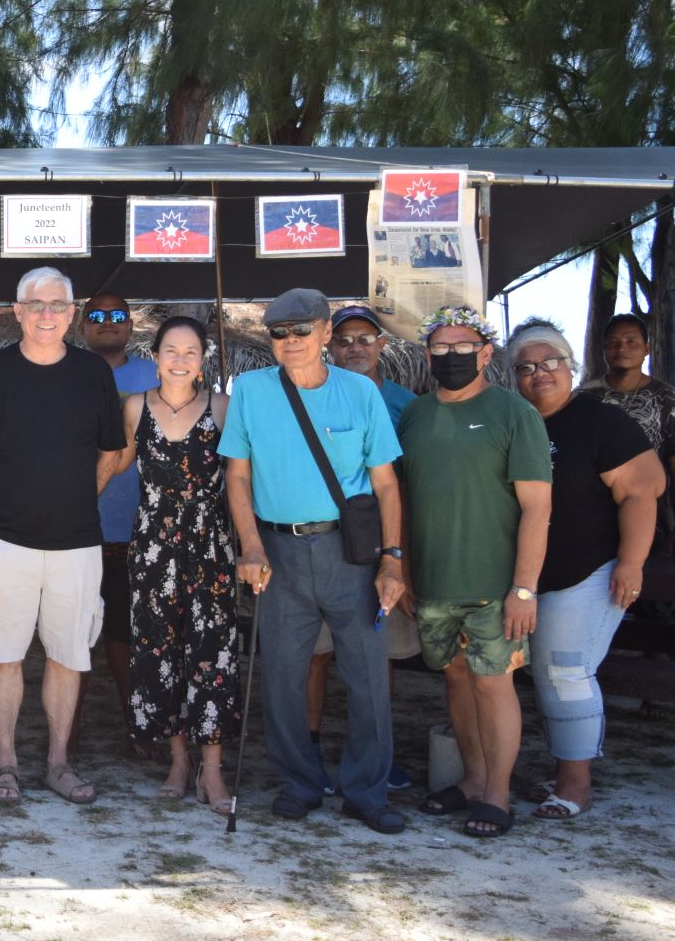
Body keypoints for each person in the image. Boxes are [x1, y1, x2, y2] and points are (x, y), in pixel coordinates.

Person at [218, 288, 409, 833]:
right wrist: (250, 544)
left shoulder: (361, 393)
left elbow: (387, 485)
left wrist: (392, 560)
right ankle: (299, 781)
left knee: (368, 676)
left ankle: (367, 790)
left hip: (348, 554)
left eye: (303, 331)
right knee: (281, 673)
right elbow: (237, 474)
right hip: (276, 551)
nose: (291, 341)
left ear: (327, 333)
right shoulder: (250, 391)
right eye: (279, 332)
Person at [0, 266, 124, 807]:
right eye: (36, 304)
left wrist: (78, 502)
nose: (46, 314)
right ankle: (5, 763)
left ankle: (57, 763)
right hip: (1, 542)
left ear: (71, 314)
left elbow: (111, 453)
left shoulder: (93, 374)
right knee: (3, 656)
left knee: (67, 656)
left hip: (76, 543)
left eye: (57, 305)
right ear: (17, 311)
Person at [397, 307, 551, 838]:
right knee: (457, 681)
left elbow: (537, 507)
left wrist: (524, 588)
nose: (452, 357)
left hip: (495, 586)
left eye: (463, 347)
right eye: (440, 348)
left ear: (486, 353)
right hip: (434, 583)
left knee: (493, 685)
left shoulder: (514, 414)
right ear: (427, 355)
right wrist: (407, 572)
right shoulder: (414, 417)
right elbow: (406, 501)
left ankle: (498, 797)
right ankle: (472, 780)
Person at [510, 321, 663, 819]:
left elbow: (643, 489)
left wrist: (633, 564)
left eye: (550, 361)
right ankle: (555, 771)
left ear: (570, 365)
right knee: (541, 672)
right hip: (529, 575)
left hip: (591, 568)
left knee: (567, 670)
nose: (540, 373)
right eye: (527, 366)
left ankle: (575, 783)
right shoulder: (515, 421)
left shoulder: (601, 420)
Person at [111, 316, 239, 811]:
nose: (180, 360)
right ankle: (178, 760)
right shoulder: (135, 406)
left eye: (190, 352)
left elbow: (242, 481)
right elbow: (114, 463)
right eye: (171, 350)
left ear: (203, 358)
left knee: (212, 651)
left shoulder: (224, 409)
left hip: (209, 544)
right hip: (152, 544)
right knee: (158, 649)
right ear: (156, 354)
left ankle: (212, 769)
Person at [308, 305, 421, 793]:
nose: (355, 346)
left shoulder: (407, 405)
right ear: (329, 345)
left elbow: (411, 485)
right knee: (314, 654)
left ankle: (376, 753)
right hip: (323, 542)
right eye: (345, 338)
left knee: (381, 655)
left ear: (381, 345)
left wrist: (403, 559)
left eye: (365, 338)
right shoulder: (313, 395)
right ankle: (309, 750)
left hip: (384, 545)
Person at [76, 291, 158, 756]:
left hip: (138, 530)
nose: (107, 322)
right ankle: (68, 733)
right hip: (78, 528)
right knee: (73, 637)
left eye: (117, 315)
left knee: (130, 636)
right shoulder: (66, 370)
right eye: (97, 316)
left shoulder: (154, 374)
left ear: (130, 325)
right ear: (83, 325)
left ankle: (138, 723)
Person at [583, 312, 675, 553]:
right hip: (593, 515)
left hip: (653, 515)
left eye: (631, 341)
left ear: (647, 348)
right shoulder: (584, 398)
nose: (621, 348)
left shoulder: (667, 399)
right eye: (613, 342)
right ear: (603, 348)